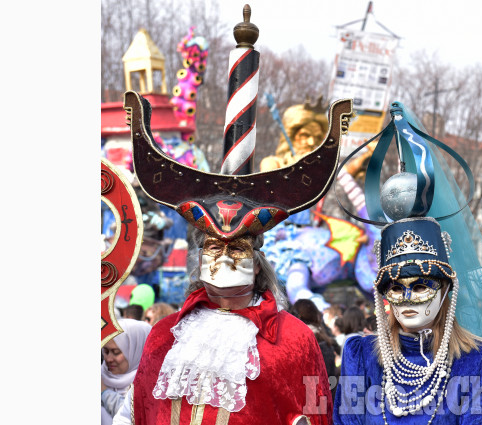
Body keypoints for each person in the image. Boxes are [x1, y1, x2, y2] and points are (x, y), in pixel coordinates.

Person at [111, 89, 353, 424]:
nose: (223, 256)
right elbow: (135, 413)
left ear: (256, 262)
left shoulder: (296, 340)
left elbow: (315, 415)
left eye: (237, 246)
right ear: (199, 257)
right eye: (213, 246)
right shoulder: (164, 334)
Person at [333, 218, 482, 424]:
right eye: (396, 289)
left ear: (443, 291)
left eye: (420, 287)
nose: (407, 299)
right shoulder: (361, 355)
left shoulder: (480, 361)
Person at [101, 318, 152, 425]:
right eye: (106, 351)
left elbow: (136, 417)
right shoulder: (102, 375)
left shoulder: (151, 386)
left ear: (137, 350)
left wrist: (105, 393)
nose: (108, 359)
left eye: (116, 352)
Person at [260, 97, 329, 172]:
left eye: (317, 137)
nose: (312, 142)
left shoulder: (324, 168)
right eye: (305, 135)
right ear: (291, 135)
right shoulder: (273, 164)